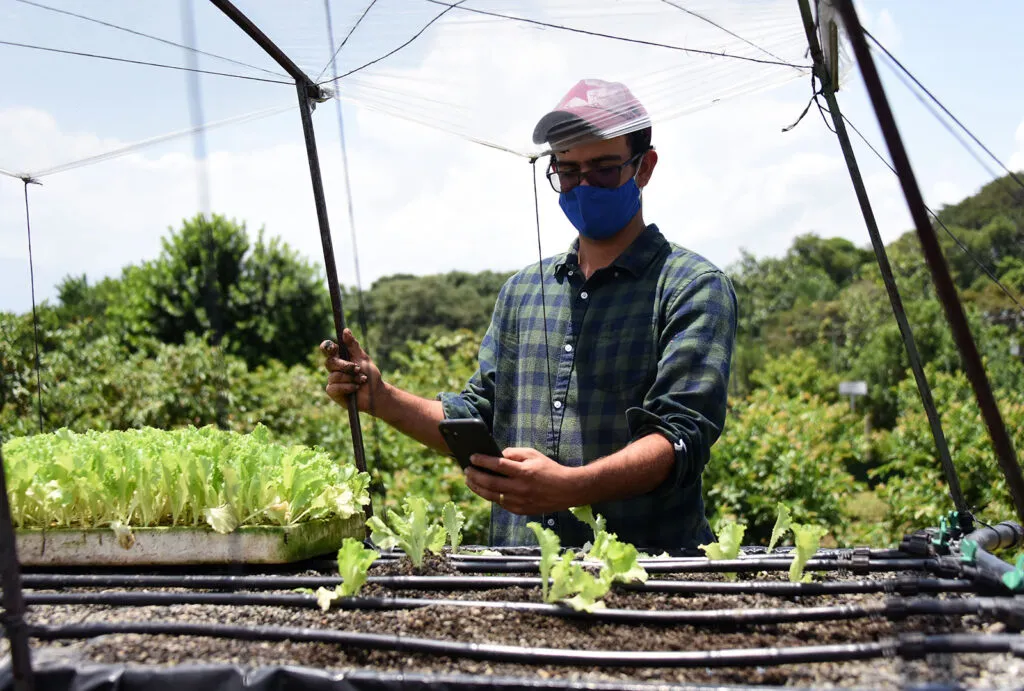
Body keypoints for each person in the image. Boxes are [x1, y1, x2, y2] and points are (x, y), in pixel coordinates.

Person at [322, 79, 737, 550]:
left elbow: (680, 437)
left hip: (648, 579)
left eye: (602, 169)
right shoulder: (522, 292)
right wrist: (381, 396)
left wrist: (571, 486)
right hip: (523, 572)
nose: (582, 186)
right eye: (567, 170)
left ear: (644, 167)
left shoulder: (690, 286)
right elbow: (478, 415)